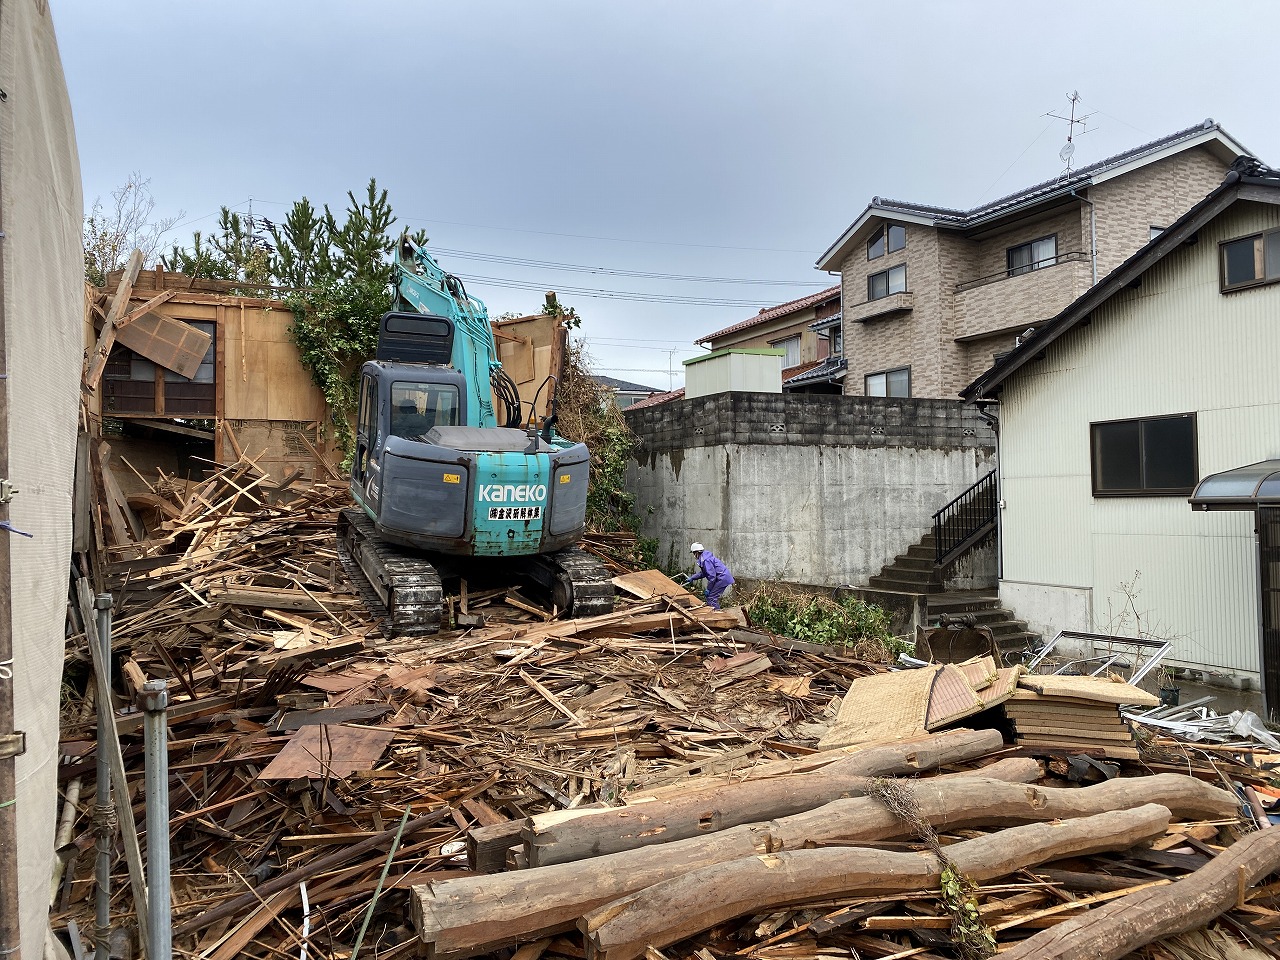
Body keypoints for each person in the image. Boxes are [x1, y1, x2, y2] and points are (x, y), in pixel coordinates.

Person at [687, 542, 734, 610]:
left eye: (694, 553)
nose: (694, 555)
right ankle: (716, 613)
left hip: (722, 578)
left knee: (711, 598)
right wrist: (693, 577)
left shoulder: (706, 560)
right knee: (711, 597)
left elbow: (712, 577)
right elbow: (704, 573)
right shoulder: (705, 558)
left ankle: (717, 616)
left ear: (697, 552)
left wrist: (708, 589)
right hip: (722, 577)